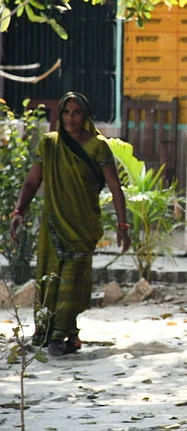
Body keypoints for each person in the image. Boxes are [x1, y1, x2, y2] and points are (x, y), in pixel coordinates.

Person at [10, 92, 130, 356]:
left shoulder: (98, 147)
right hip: (54, 223)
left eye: (76, 112)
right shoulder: (50, 145)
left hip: (82, 225)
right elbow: (32, 182)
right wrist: (19, 210)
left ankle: (59, 335)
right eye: (66, 112)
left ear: (85, 116)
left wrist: (123, 225)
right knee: (50, 277)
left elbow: (115, 187)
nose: (71, 118)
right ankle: (55, 334)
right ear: (60, 115)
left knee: (72, 280)